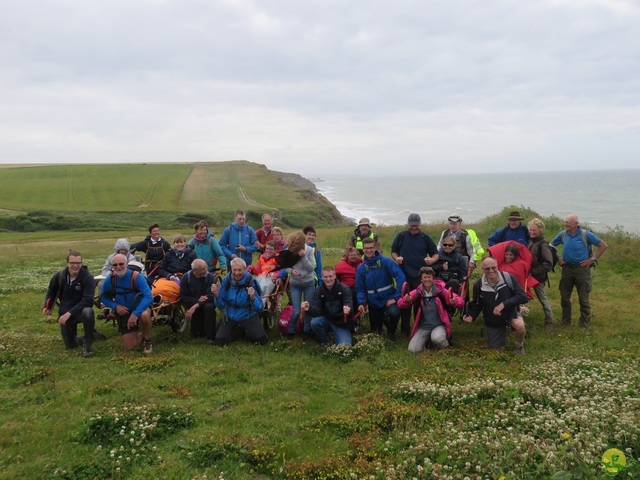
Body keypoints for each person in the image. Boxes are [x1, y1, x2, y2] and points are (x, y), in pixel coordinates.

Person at [551, 214, 608, 327]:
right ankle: (566, 321)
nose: (565, 224)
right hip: (566, 268)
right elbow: (550, 246)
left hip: (581, 269)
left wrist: (592, 259)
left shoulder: (585, 234)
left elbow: (603, 245)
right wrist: (558, 259)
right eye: (565, 222)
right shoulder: (562, 234)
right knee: (565, 297)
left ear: (576, 224)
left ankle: (584, 323)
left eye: (568, 222)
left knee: (583, 297)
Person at [463, 257, 529, 355]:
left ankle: (519, 345)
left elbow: (523, 297)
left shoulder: (508, 278)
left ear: (497, 266)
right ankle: (502, 333)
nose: (491, 271)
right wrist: (471, 316)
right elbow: (477, 304)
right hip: (493, 319)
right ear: (482, 270)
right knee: (495, 348)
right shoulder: (478, 285)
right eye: (487, 269)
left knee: (520, 325)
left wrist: (504, 304)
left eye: (493, 267)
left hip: (511, 313)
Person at [391, 213, 439, 335]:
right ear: (408, 224)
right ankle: (405, 330)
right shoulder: (401, 236)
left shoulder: (426, 238)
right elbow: (394, 252)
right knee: (405, 303)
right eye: (412, 225)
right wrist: (396, 259)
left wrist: (432, 260)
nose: (414, 228)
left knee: (420, 303)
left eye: (416, 226)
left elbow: (435, 254)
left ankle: (420, 328)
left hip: (420, 277)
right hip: (404, 275)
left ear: (420, 224)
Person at [43, 251, 96, 357]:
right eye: (72, 263)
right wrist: (47, 306)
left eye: (78, 263)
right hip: (65, 314)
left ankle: (87, 345)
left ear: (81, 263)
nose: (75, 265)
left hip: (79, 312)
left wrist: (69, 313)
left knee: (88, 312)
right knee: (70, 346)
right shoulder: (59, 276)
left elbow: (88, 300)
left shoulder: (88, 277)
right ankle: (85, 338)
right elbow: (51, 291)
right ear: (67, 263)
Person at [397, 267, 463, 353]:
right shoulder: (417, 292)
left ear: (433, 278)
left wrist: (454, 302)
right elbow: (400, 304)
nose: (427, 279)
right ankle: (429, 343)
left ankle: (446, 348)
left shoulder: (441, 291)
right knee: (413, 349)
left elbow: (460, 301)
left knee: (437, 338)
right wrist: (406, 300)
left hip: (439, 324)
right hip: (423, 327)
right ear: (421, 279)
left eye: (429, 277)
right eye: (424, 277)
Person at [100, 254, 154, 353]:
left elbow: (148, 296)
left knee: (145, 315)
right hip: (124, 311)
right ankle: (142, 332)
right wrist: (115, 306)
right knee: (130, 347)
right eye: (115, 265)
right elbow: (103, 297)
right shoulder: (110, 279)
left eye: (121, 264)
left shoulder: (137, 277)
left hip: (140, 308)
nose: (118, 267)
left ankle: (147, 340)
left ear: (127, 264)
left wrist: (135, 314)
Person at [355, 237, 406, 337]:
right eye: (366, 248)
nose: (368, 250)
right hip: (373, 302)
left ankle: (391, 333)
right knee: (376, 332)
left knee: (394, 313)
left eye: (371, 247)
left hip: (388, 298)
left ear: (375, 248)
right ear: (363, 249)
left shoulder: (386, 261)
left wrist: (396, 297)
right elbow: (360, 288)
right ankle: (382, 321)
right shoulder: (361, 268)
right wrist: (361, 303)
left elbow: (401, 278)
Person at [210, 258, 268, 346]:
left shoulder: (251, 281)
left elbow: (259, 308)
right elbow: (221, 305)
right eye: (234, 270)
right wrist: (217, 295)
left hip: (247, 315)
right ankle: (239, 332)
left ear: (245, 270)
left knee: (261, 342)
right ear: (231, 269)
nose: (237, 273)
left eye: (240, 270)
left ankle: (243, 329)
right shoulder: (226, 281)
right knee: (219, 342)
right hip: (230, 315)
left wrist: (253, 297)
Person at [279, 231, 317, 338]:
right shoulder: (289, 250)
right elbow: (284, 266)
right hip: (295, 284)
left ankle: (307, 330)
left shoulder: (309, 250)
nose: (295, 246)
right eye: (293, 243)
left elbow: (311, 268)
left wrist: (303, 257)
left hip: (309, 283)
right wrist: (291, 271)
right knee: (296, 311)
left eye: (297, 244)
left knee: (307, 308)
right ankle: (290, 331)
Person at [304, 266, 354, 345]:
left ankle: (341, 337)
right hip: (326, 320)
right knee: (314, 322)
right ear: (322, 277)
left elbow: (349, 303)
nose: (328, 279)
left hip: (341, 323)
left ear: (334, 276)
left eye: (330, 276)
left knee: (345, 346)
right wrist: (308, 309)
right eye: (325, 277)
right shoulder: (318, 291)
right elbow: (317, 311)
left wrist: (348, 309)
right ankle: (326, 342)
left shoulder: (344, 289)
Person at [180, 259, 218, 342]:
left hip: (206, 304)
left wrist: (196, 305)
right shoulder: (186, 278)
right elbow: (183, 296)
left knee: (209, 307)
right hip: (193, 302)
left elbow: (211, 296)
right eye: (202, 269)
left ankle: (210, 337)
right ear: (194, 271)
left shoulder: (210, 277)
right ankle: (196, 332)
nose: (205, 271)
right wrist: (197, 300)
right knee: (198, 333)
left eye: (206, 268)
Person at [527, 218, 555, 327]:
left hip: (538, 278)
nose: (532, 232)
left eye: (534, 230)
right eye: (530, 230)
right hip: (528, 276)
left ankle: (550, 322)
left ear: (540, 230)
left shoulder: (543, 245)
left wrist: (534, 271)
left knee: (543, 299)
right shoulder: (530, 241)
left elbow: (549, 263)